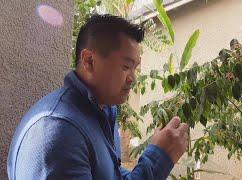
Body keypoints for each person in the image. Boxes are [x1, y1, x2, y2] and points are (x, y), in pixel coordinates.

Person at [7, 14, 189, 180]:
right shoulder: (59, 131)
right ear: (89, 61)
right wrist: (157, 159)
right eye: (126, 66)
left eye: (135, 68)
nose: (133, 78)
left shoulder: (102, 111)